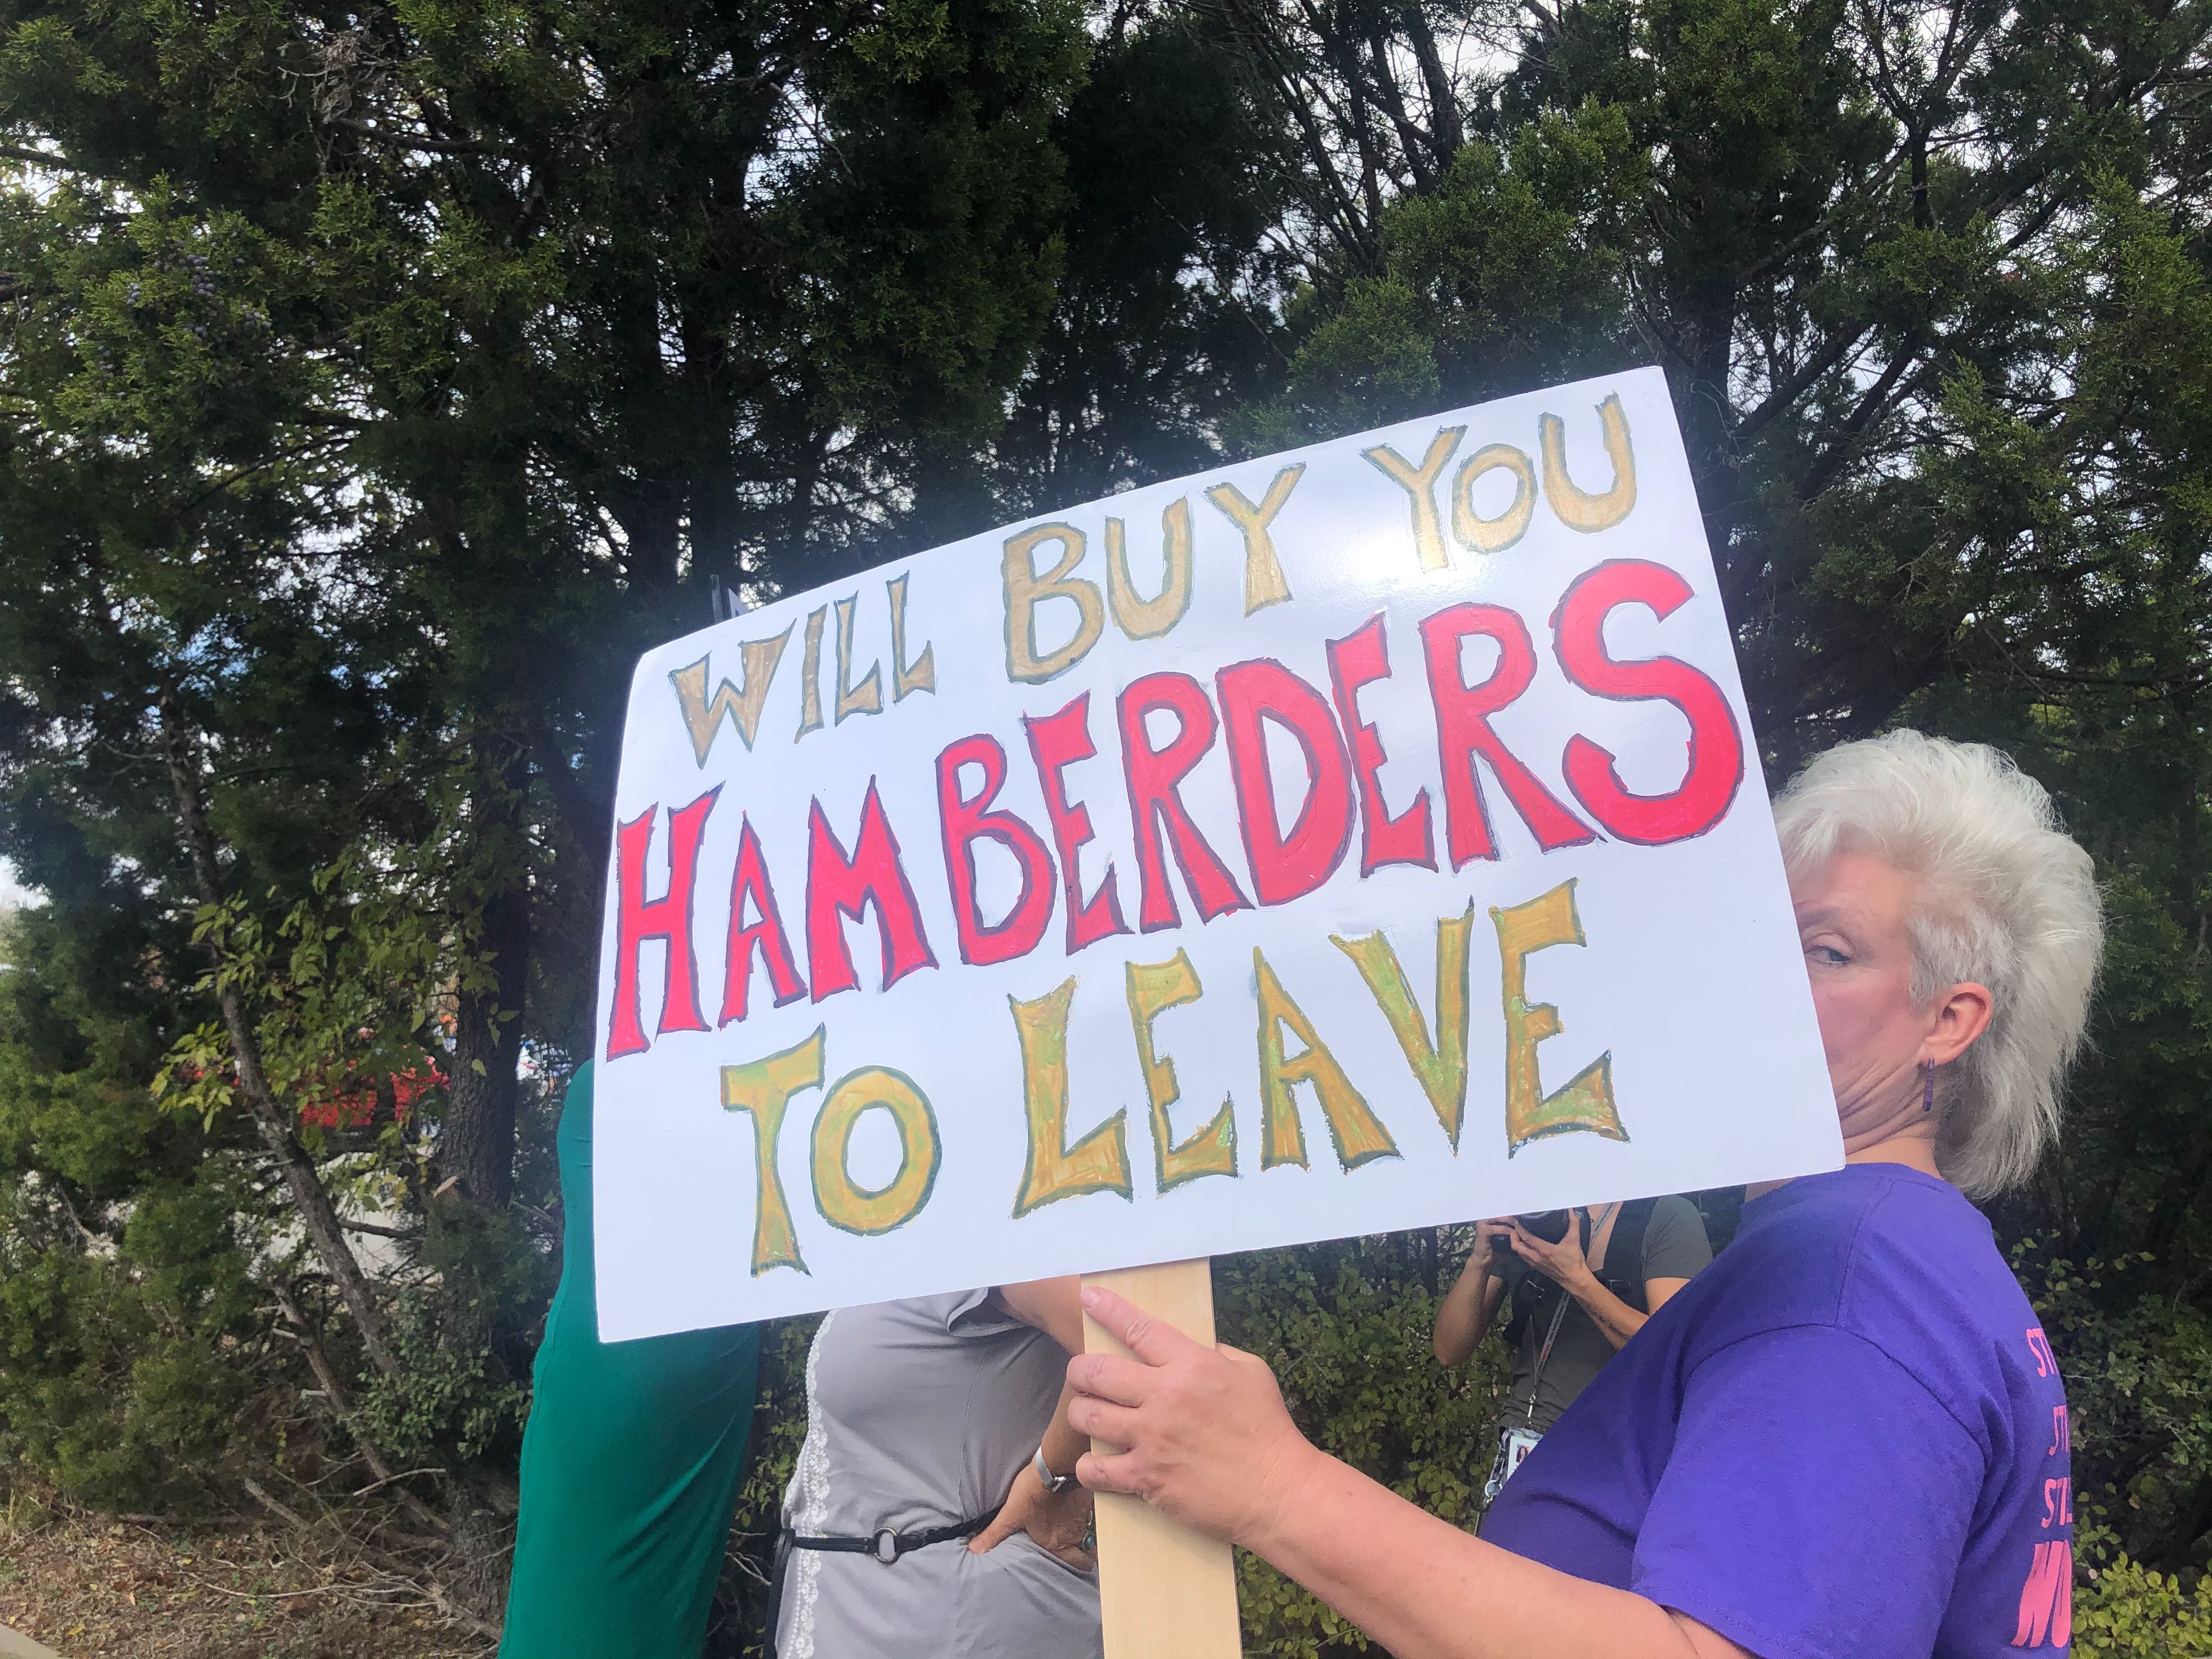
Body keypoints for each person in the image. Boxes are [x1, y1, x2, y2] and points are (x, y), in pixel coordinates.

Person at [1065, 731, 2101, 1658]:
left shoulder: (1847, 1276)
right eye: (1759, 930)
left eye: (1827, 951)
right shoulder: (1899, 1258)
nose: (1758, 973)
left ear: (1948, 1020)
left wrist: (1275, 1483)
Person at [501, 1062, 764, 1659]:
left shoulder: (621, 1073)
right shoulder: (631, 1074)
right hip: (673, 1347)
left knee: (597, 1610)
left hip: (665, 1350)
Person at [772, 1279, 1101, 1659]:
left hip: (957, 1619)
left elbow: (1109, 1336)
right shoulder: (909, 1251)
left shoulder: (975, 1241)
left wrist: (1056, 1478)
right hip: (858, 1618)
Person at [1434, 1197, 1711, 1508]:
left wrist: (1576, 1279)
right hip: (1519, 1456)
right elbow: (1448, 1350)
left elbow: (1676, 1352)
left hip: (1608, 1465)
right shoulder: (1535, 1209)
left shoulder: (1666, 1216)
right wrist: (1479, 1261)